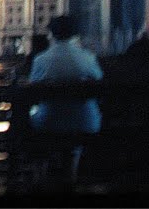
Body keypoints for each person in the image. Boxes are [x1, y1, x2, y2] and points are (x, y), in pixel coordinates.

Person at [28, 15, 103, 188]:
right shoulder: (88, 57)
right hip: (86, 123)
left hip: (49, 123)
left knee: (35, 113)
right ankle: (73, 170)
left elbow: (33, 92)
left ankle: (42, 173)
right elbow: (99, 82)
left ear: (51, 34)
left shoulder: (41, 60)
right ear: (76, 35)